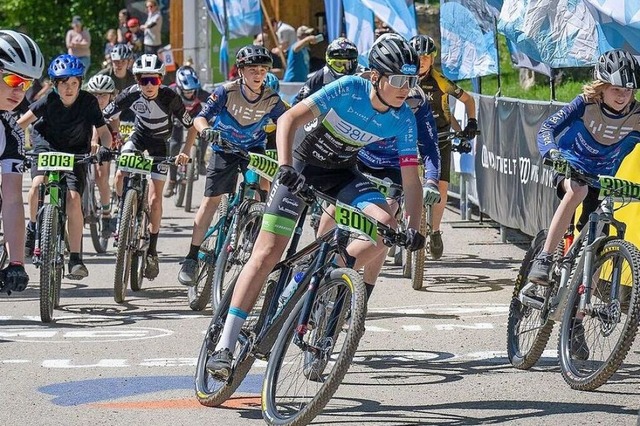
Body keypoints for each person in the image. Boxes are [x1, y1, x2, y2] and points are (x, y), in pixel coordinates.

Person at [204, 36, 426, 375]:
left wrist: (413, 228)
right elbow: (288, 120)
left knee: (387, 230)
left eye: (411, 81)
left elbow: (411, 181)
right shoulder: (349, 87)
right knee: (266, 254)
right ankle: (225, 345)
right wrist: (284, 167)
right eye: (397, 80)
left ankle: (322, 272)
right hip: (301, 167)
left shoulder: (404, 118)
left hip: (342, 174)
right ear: (376, 77)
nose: (404, 88)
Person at [177, 45, 287, 286]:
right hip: (224, 148)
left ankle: (251, 229)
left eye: (263, 69)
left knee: (260, 188)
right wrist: (206, 130)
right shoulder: (226, 91)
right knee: (211, 201)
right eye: (252, 69)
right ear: (241, 71)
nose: (258, 74)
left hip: (253, 150)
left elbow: (287, 122)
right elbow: (200, 117)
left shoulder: (272, 98)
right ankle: (192, 257)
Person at [529, 49, 640, 285]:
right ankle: (545, 257)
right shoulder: (585, 103)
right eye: (616, 90)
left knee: (598, 236)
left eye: (628, 91)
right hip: (571, 164)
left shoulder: (637, 115)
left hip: (602, 177)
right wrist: (552, 152)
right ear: (601, 87)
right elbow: (547, 129)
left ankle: (579, 313)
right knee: (577, 190)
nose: (622, 96)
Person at [19, 54, 113, 278]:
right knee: (38, 185)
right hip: (46, 147)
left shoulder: (89, 102)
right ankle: (32, 229)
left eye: (74, 83)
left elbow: (103, 133)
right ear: (55, 85)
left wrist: (105, 149)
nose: (69, 89)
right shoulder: (48, 100)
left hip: (75, 152)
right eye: (64, 84)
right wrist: (15, 145)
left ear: (80, 83)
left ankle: (76, 257)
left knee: (73, 199)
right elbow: (21, 123)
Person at [102, 54, 196, 279]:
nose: (149, 85)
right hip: (138, 138)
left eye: (153, 80)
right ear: (137, 81)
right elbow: (104, 116)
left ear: (161, 80)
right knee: (120, 175)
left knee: (155, 200)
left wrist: (184, 152)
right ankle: (123, 210)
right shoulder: (131, 94)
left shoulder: (170, 97)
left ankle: (152, 251)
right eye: (144, 80)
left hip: (160, 146)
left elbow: (192, 127)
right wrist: (108, 137)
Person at [409, 34, 477, 260]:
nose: (422, 61)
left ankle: (435, 231)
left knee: (441, 188)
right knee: (403, 183)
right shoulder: (403, 78)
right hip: (409, 137)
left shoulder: (440, 80)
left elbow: (468, 100)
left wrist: (471, 124)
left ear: (432, 59)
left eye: (426, 57)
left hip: (440, 136)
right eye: (418, 57)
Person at [0, 30, 45, 293]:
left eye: (26, 83)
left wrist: (17, 262)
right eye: (13, 78)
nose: (19, 90)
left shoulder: (11, 129)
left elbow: (14, 199)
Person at [164, 65, 211, 196]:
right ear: (179, 88)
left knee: (205, 134)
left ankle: (201, 160)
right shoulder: (171, 91)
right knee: (174, 145)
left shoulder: (200, 93)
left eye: (192, 91)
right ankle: (172, 180)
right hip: (177, 118)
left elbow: (213, 104)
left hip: (194, 117)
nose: (190, 93)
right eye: (186, 91)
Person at [86, 74, 118, 238]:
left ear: (111, 96)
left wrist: (115, 141)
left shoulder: (113, 109)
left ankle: (106, 215)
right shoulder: (83, 105)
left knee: (100, 176)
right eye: (95, 95)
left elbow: (115, 130)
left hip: (104, 141)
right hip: (86, 141)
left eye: (103, 95)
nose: (99, 99)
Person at [292, 37, 359, 104]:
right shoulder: (321, 76)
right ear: (329, 61)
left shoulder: (361, 72)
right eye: (338, 64)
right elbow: (298, 101)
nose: (343, 69)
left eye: (347, 64)